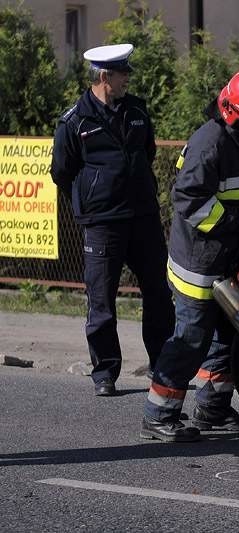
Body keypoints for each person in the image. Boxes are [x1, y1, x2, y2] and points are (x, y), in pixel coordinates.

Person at [140, 67, 239, 442]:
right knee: (192, 337)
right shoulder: (209, 144)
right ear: (233, 115)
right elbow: (190, 204)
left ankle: (213, 408)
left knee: (228, 335)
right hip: (200, 260)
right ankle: (159, 414)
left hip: (231, 253)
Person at [50, 43, 174, 397]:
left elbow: (146, 151)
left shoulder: (136, 110)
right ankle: (105, 371)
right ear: (105, 77)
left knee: (158, 294)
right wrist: (93, 195)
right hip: (102, 221)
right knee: (101, 299)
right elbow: (62, 171)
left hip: (143, 216)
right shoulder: (74, 121)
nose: (128, 80)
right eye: (123, 74)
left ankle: (163, 364)